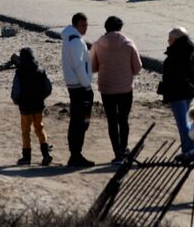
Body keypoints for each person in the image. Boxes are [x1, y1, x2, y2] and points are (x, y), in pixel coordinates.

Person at [91, 15, 143, 163]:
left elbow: (93, 67)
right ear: (120, 28)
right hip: (125, 88)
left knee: (112, 121)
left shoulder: (97, 44)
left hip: (107, 88)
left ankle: (117, 153)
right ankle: (124, 147)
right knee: (123, 120)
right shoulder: (128, 44)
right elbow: (137, 68)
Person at [159, 27, 194, 161]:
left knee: (182, 123)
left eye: (170, 38)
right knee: (184, 121)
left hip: (177, 92)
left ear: (176, 40)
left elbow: (178, 76)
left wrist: (192, 87)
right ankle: (189, 148)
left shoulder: (176, 54)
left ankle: (191, 150)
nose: (168, 41)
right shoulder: (191, 51)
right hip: (188, 92)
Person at [61, 12, 95, 168]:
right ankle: (76, 155)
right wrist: (87, 86)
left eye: (86, 25)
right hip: (79, 87)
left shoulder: (71, 39)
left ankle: (75, 154)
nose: (85, 28)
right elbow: (79, 66)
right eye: (82, 25)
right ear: (75, 25)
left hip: (75, 86)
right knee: (80, 121)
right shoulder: (75, 42)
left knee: (77, 120)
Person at [10, 47, 54, 166]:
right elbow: (48, 88)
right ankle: (46, 154)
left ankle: (26, 157)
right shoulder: (40, 71)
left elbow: (15, 92)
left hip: (25, 108)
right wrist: (41, 98)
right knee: (39, 129)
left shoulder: (19, 72)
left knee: (25, 131)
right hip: (38, 106)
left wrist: (18, 102)